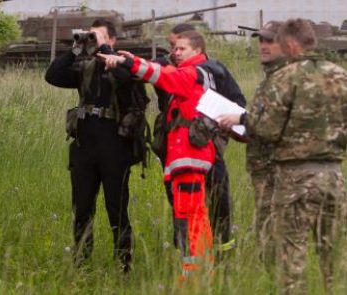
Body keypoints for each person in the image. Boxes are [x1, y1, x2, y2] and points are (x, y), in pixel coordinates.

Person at [220, 18, 347, 294]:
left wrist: (244, 119)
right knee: (334, 260)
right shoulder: (340, 75)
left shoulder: (284, 78)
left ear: (290, 45)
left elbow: (266, 129)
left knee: (291, 263)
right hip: (334, 176)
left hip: (294, 178)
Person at [98, 30, 216, 279]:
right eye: (175, 48)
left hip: (189, 161)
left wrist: (127, 62)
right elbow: (163, 70)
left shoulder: (193, 74)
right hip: (186, 162)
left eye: (182, 49)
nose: (175, 52)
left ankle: (194, 276)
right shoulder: (194, 74)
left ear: (197, 51)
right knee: (193, 216)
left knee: (189, 219)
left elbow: (162, 75)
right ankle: (202, 271)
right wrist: (133, 60)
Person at [45, 19, 148, 272]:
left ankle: (124, 264)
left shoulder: (124, 64)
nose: (93, 40)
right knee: (81, 208)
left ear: (112, 40)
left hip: (115, 145)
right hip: (85, 145)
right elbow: (52, 75)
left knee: (117, 208)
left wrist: (109, 54)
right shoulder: (84, 66)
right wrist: (76, 48)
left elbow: (130, 79)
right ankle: (81, 263)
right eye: (91, 36)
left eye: (98, 36)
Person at [153, 23, 246, 256]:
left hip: (207, 146)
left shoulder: (213, 70)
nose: (173, 52)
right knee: (179, 201)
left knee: (218, 197)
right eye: (171, 47)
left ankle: (223, 249)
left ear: (193, 47)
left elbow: (238, 104)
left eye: (178, 46)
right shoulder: (164, 69)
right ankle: (186, 250)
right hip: (176, 148)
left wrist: (218, 131)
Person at [218, 20, 286, 268]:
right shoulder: (268, 80)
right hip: (264, 171)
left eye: (271, 40)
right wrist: (240, 130)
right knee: (266, 235)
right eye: (261, 40)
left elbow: (282, 125)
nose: (264, 46)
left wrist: (243, 119)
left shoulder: (288, 80)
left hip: (283, 172)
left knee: (282, 238)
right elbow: (265, 126)